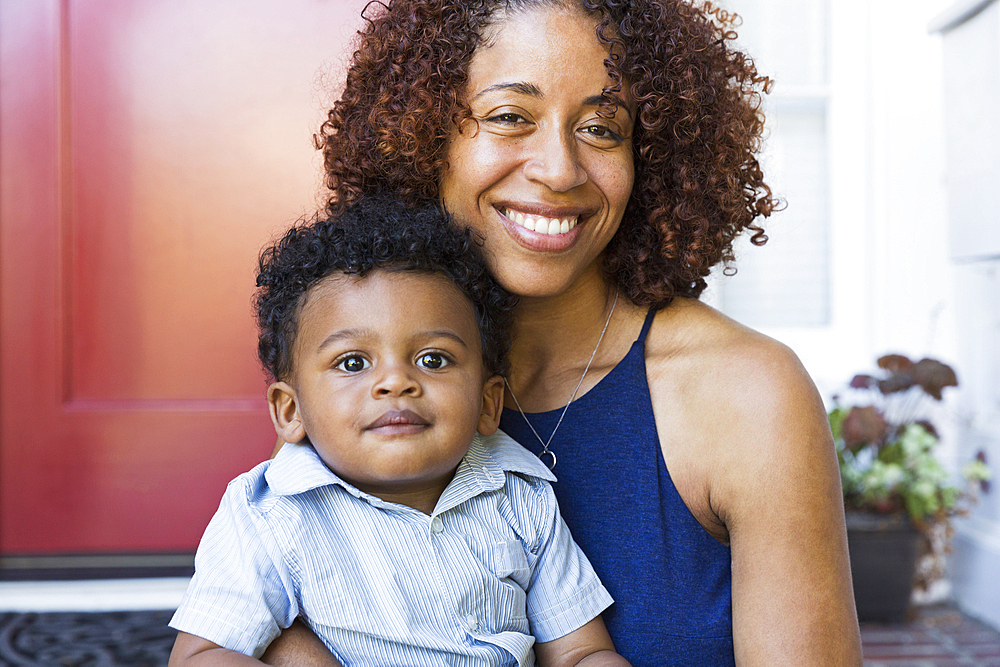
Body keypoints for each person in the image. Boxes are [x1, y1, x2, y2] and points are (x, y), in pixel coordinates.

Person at [267, 0, 863, 664]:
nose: (558, 169)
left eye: (602, 128)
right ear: (422, 137)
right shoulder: (366, 380)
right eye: (510, 117)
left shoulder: (747, 395)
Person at [168, 198, 632, 667]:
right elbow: (201, 654)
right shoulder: (269, 516)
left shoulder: (519, 497)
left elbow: (580, 651)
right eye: (353, 363)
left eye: (433, 359)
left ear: (489, 403)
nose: (396, 381)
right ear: (291, 410)